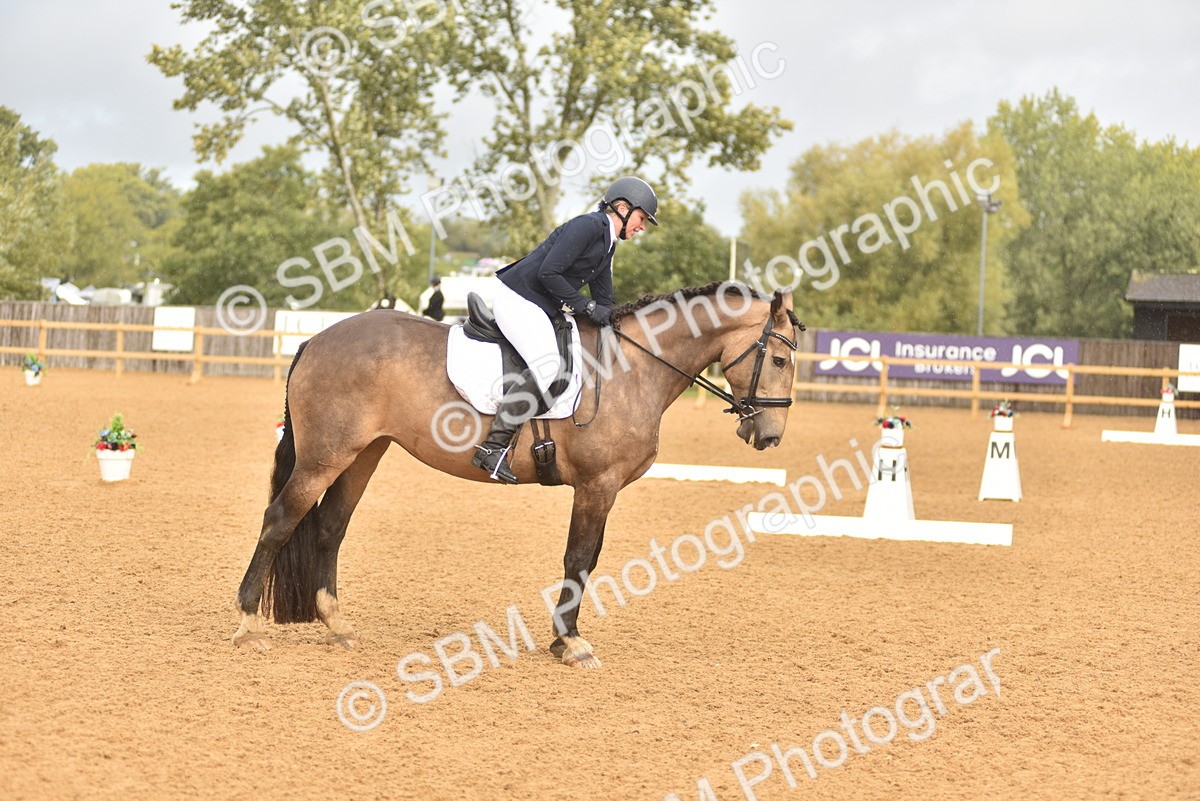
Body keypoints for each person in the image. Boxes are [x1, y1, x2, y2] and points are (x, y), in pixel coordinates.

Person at [471, 176, 659, 484]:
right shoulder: (586, 227)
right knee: (547, 368)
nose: (642, 227)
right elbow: (549, 273)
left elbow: (604, 297)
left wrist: (617, 321)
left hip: (541, 304)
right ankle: (492, 448)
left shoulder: (607, 243)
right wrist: (585, 308)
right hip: (518, 298)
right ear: (623, 208)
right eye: (642, 219)